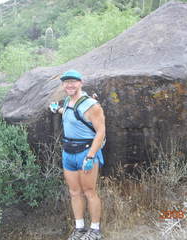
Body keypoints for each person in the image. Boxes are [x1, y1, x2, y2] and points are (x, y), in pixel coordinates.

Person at [50, 70, 105, 240]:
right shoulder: (68, 101)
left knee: (89, 191)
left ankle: (95, 230)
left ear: (81, 83)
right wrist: (58, 109)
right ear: (63, 85)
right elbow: (71, 113)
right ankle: (79, 228)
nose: (70, 85)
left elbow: (101, 131)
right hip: (68, 152)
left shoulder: (92, 105)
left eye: (73, 82)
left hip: (85, 152)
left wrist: (90, 156)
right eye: (66, 82)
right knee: (74, 192)